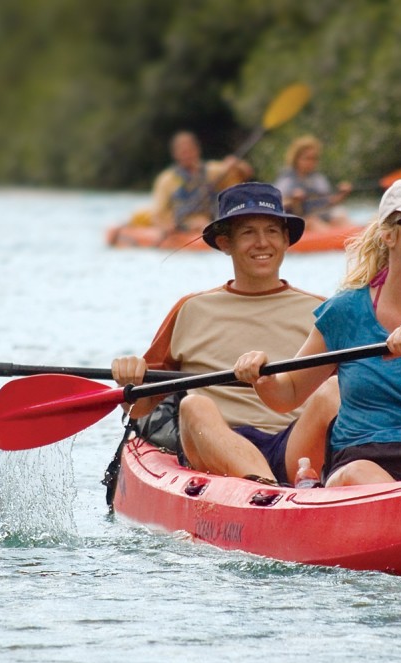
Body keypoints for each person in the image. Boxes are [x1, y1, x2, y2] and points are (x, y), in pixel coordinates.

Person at [233, 177, 401, 487]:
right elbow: (288, 394)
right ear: (388, 235)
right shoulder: (345, 309)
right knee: (362, 474)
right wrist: (263, 377)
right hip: (361, 458)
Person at [111, 182, 338, 486]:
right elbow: (140, 408)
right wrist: (129, 383)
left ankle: (275, 491)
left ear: (286, 240)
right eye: (248, 233)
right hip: (217, 445)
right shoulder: (191, 309)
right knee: (193, 406)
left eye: (272, 231)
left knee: (334, 390)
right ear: (224, 243)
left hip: (295, 447)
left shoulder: (323, 311)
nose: (262, 243)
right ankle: (267, 490)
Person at [148, 131, 254, 234]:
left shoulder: (212, 171)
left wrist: (236, 164)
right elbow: (158, 214)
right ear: (175, 154)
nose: (187, 155)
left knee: (207, 223)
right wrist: (168, 226)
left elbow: (247, 173)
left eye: (190, 150)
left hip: (209, 223)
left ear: (197, 150)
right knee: (200, 223)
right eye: (183, 152)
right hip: (181, 226)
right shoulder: (167, 180)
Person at [273, 134, 353, 230]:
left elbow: (328, 203)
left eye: (314, 159)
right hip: (301, 222)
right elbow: (277, 205)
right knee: (313, 223)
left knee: (341, 217)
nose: (311, 163)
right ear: (296, 159)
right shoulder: (287, 180)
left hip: (322, 218)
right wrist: (293, 200)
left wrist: (342, 194)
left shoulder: (318, 179)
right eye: (307, 158)